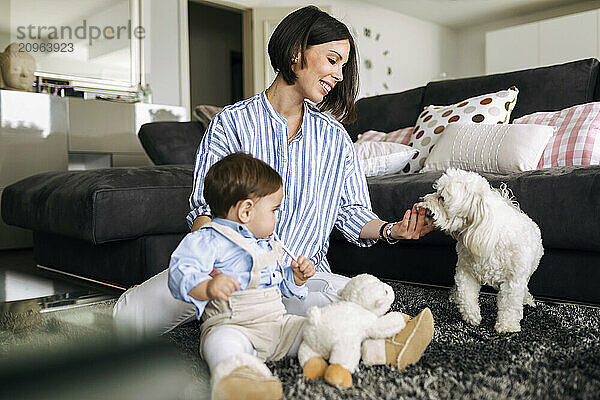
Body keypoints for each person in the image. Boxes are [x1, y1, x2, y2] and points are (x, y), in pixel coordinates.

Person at [113, 5, 435, 368]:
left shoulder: (335, 138)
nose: (338, 75)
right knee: (127, 318)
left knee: (352, 304)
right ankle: (231, 324)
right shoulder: (231, 123)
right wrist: (208, 263)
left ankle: (379, 338)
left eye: (343, 66)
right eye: (332, 60)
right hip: (230, 272)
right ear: (297, 52)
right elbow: (205, 209)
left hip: (300, 275)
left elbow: (351, 213)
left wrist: (393, 230)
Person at [169, 153, 315, 400]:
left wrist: (296, 278)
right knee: (222, 347)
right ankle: (240, 382)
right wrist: (207, 286)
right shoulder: (208, 238)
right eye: (274, 210)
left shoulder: (265, 244)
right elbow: (180, 271)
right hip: (233, 326)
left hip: (277, 326)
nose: (277, 218)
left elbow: (279, 286)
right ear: (246, 210)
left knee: (314, 328)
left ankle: (373, 343)